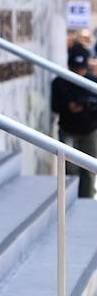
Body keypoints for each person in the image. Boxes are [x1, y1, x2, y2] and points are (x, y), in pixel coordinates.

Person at [51, 48, 97, 199]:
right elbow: (55, 107)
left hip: (90, 132)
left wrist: (87, 107)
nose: (79, 72)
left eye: (81, 69)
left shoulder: (93, 82)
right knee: (69, 169)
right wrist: (69, 106)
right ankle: (69, 200)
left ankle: (86, 201)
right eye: (75, 69)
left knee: (89, 170)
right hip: (68, 129)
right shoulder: (60, 82)